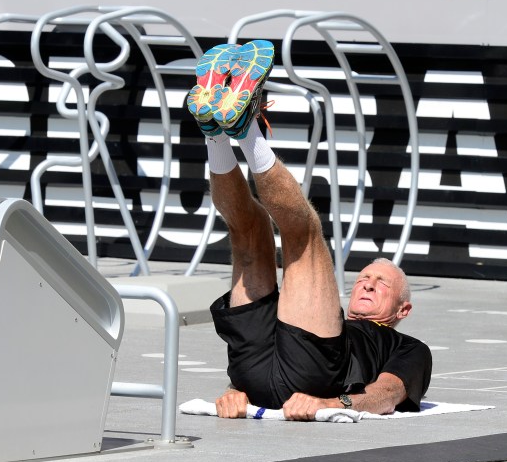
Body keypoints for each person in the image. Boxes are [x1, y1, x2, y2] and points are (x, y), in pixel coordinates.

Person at [185, 40, 432, 421]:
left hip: (316, 372)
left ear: (404, 308)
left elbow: (387, 393)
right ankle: (215, 132)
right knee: (247, 234)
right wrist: (234, 392)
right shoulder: (333, 313)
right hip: (256, 370)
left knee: (304, 237)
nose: (366, 283)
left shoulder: (408, 346)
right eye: (365, 277)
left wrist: (334, 404)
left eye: (382, 283)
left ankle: (243, 128)